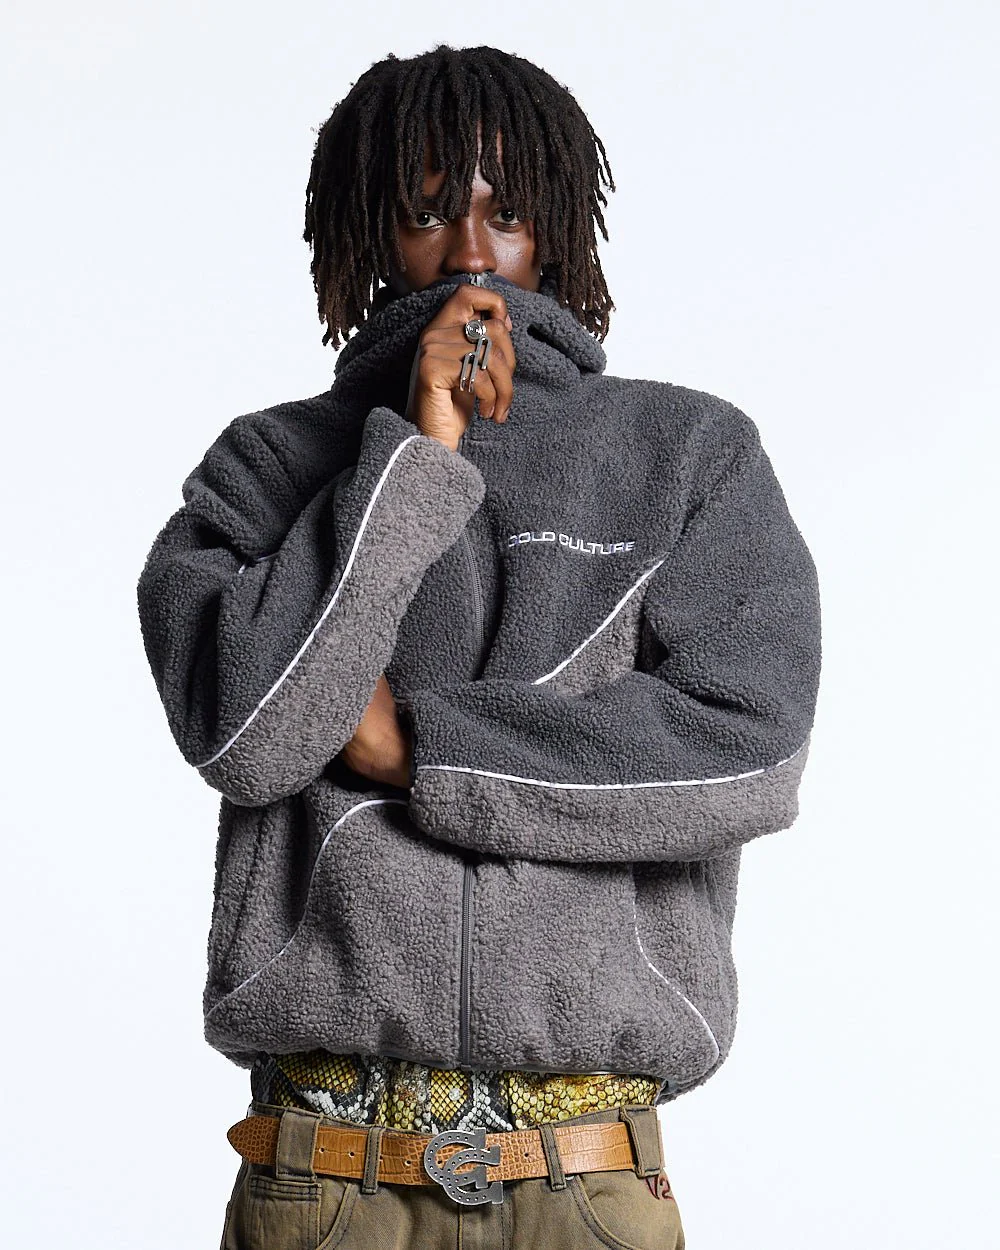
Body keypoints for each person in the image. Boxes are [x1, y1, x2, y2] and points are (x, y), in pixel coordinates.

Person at [137, 43, 821, 1250]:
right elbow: (251, 735)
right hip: (326, 1172)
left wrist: (426, 751)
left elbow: (746, 749)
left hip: (585, 1174)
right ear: (368, 231)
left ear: (553, 226)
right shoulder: (262, 467)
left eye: (504, 213)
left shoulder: (685, 455)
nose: (467, 250)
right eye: (425, 212)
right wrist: (415, 454)